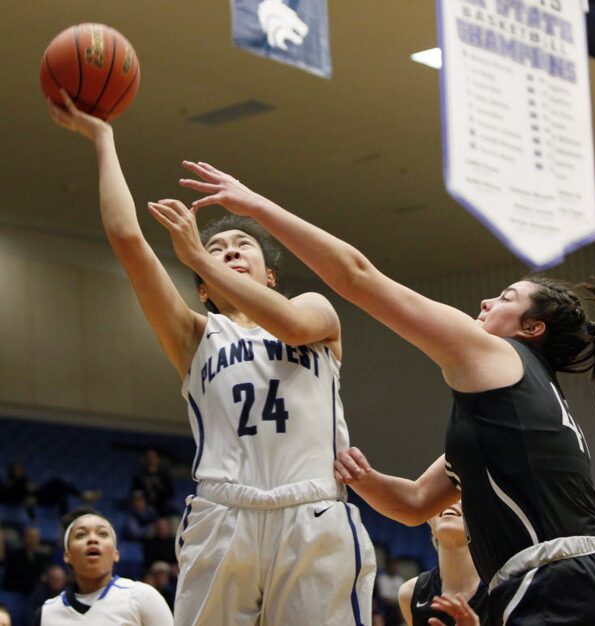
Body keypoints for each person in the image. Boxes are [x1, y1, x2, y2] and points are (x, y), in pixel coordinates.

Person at [175, 161, 595, 624]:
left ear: (531, 329)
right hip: (580, 580)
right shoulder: (509, 413)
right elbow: (415, 505)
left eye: (507, 297)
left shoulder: (498, 357)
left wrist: (257, 207)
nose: (487, 300)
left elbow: (357, 276)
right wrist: (360, 477)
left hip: (556, 582)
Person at [48, 92, 375, 626]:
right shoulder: (197, 335)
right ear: (203, 291)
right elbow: (128, 240)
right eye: (217, 248)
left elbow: (290, 325)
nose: (228, 251)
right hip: (224, 515)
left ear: (269, 276)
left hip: (312, 510)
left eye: (241, 245)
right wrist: (104, 139)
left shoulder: (313, 310)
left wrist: (197, 255)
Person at [32, 510, 173, 625]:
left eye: (102, 534)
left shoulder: (143, 597)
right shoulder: (47, 613)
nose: (93, 539)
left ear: (115, 553)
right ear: (67, 555)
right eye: (81, 535)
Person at [398, 500, 486, 626]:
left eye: (460, 494)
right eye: (444, 496)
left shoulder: (501, 587)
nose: (450, 500)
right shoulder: (410, 594)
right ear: (430, 522)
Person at [4, 527, 52, 594]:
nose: (33, 540)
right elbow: (15, 579)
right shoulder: (15, 556)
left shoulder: (42, 557)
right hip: (20, 590)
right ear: (24, 538)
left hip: (38, 590)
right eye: (30, 537)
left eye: (35, 538)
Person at [130, 449, 174, 516]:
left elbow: (170, 493)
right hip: (145, 507)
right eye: (148, 457)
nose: (150, 460)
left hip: (163, 506)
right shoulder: (140, 476)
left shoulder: (164, 475)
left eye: (153, 457)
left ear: (158, 459)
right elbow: (136, 492)